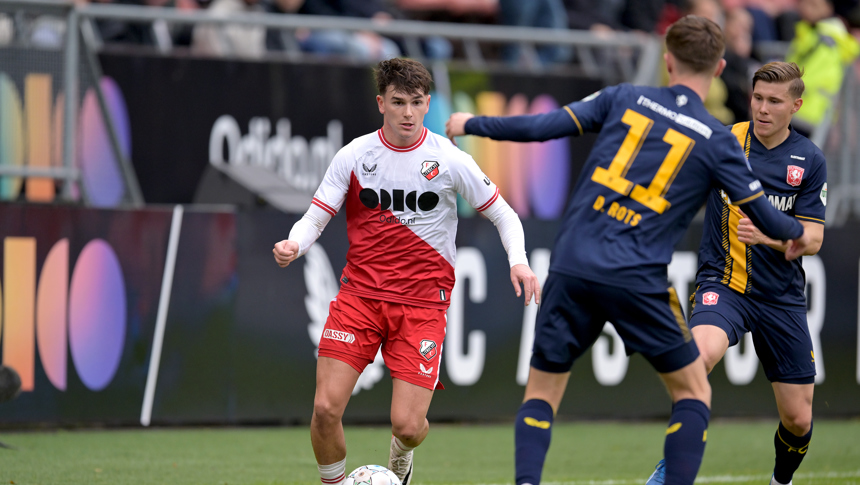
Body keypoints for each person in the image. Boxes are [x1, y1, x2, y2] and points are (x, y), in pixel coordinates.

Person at [445, 15, 813, 485]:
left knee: (541, 394)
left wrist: (471, 122)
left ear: (668, 61)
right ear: (720, 68)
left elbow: (543, 126)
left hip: (573, 264)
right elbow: (767, 217)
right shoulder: (717, 139)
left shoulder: (623, 97)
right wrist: (795, 233)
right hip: (637, 276)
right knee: (693, 394)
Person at [273, 57, 541, 485]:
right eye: (398, 102)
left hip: (421, 306)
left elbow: (504, 214)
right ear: (381, 103)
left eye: (417, 102)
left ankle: (401, 455)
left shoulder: (448, 159)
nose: (409, 113)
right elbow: (316, 216)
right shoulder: (355, 155)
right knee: (324, 409)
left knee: (409, 427)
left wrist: (519, 261)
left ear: (428, 103)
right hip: (359, 298)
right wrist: (294, 243)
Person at [643, 61, 827, 485]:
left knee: (798, 419)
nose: (762, 108)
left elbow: (814, 239)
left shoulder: (809, 159)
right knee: (697, 359)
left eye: (774, 101)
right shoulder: (724, 141)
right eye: (757, 98)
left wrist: (770, 237)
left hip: (781, 297)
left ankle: (781, 480)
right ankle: (673, 468)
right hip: (724, 284)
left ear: (795, 106)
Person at [786, 0, 859, 135]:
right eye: (804, 3)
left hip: (804, 113)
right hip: (804, 112)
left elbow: (810, 76)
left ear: (828, 8)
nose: (806, 8)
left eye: (813, 5)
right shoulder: (811, 33)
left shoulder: (826, 40)